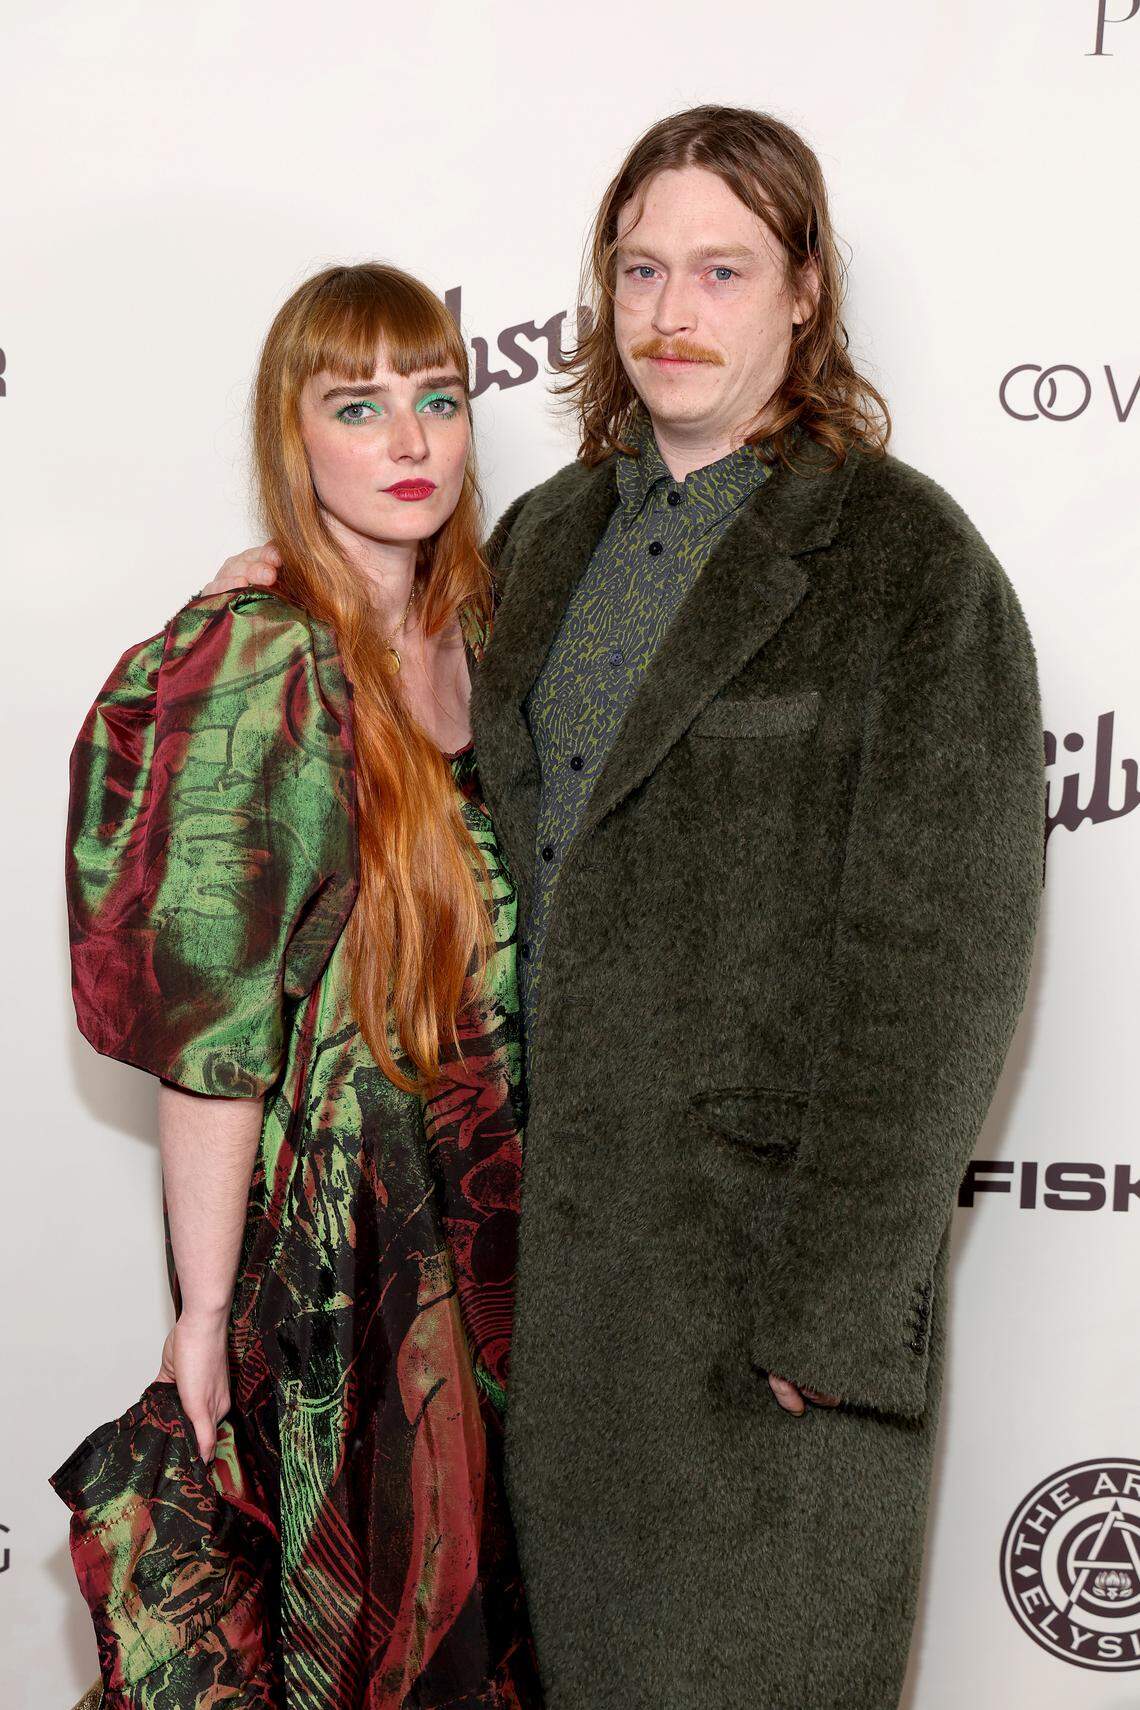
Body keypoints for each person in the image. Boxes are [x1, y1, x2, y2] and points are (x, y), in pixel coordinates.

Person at [203, 108, 1045, 1710]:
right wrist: (290, 587)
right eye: (642, 265)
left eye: (722, 268)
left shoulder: (907, 564)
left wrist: (842, 1312)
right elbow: (421, 764)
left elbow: (943, 964)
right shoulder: (548, 534)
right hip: (526, 1303)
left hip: (762, 1317)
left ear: (803, 292)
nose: (674, 307)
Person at [65, 262, 543, 1707]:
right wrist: (204, 1312)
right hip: (350, 1259)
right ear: (297, 436)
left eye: (435, 399)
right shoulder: (266, 650)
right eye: (360, 405)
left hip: (506, 1224)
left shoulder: (488, 633)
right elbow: (214, 1038)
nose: (408, 442)